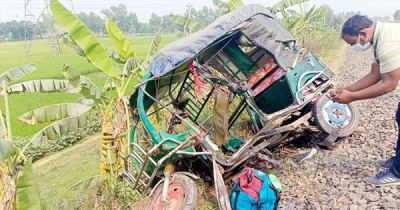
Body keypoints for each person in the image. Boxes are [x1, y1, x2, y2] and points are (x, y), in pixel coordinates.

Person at [329, 15, 400, 186]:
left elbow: (389, 84)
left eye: (353, 43)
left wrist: (351, 97)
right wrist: (345, 90)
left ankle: (397, 173)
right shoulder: (379, 36)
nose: (355, 47)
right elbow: (374, 75)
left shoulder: (386, 42)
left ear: (362, 33)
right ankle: (398, 160)